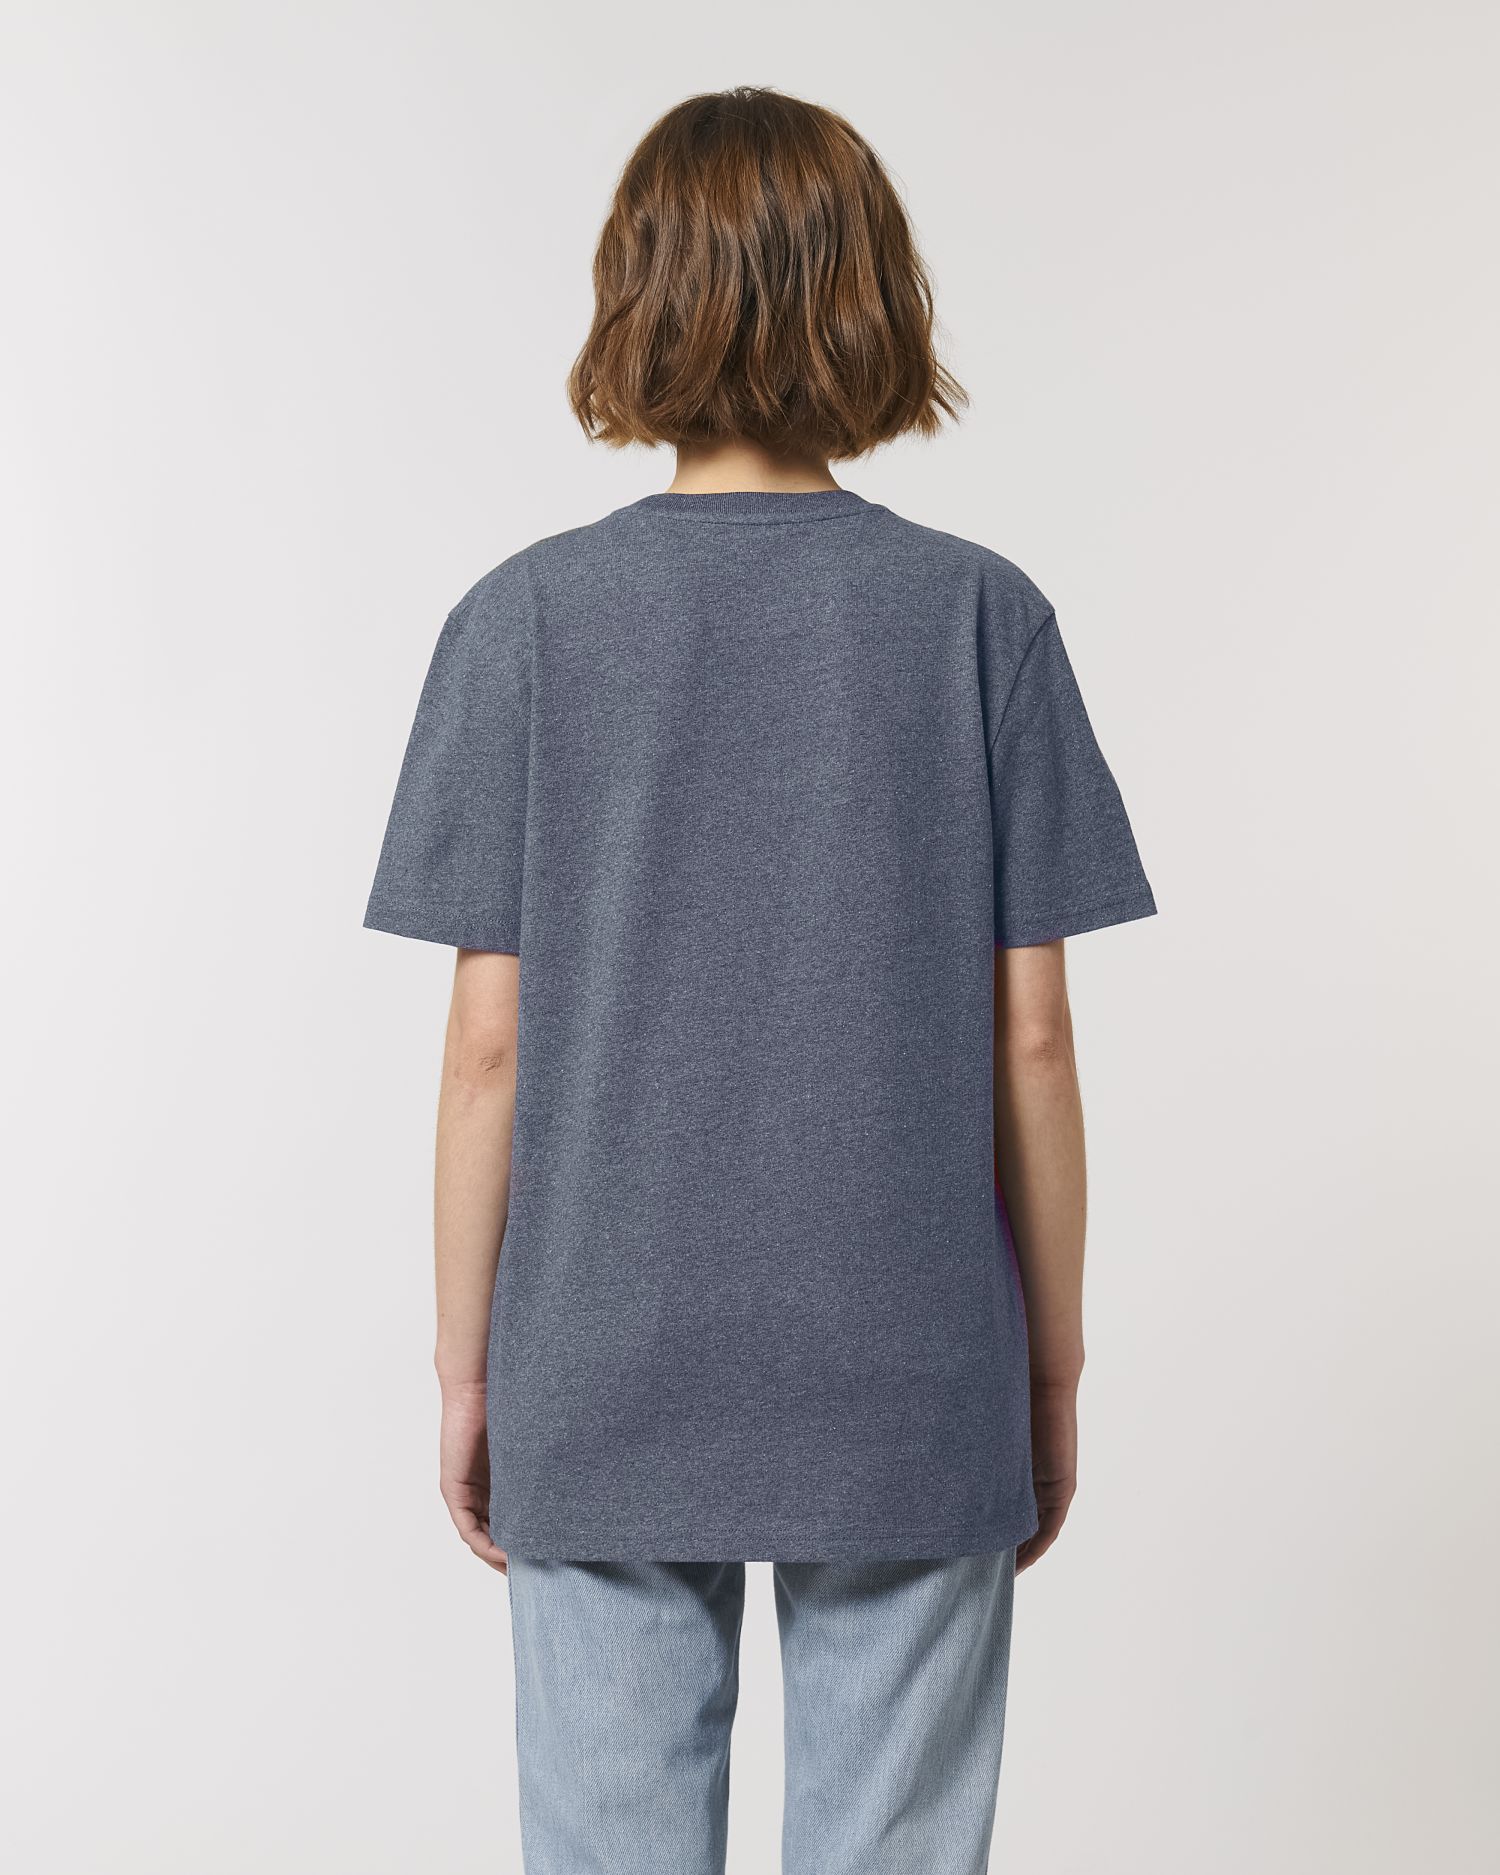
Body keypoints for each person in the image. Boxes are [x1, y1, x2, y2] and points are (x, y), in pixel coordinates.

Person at [365, 85, 1155, 1875]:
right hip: (912, 1361)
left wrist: (469, 1375)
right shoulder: (980, 619)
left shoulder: (522, 623)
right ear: (872, 297)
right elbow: (1032, 1041)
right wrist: (1049, 1371)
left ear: (632, 297)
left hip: (598, 1358)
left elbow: (486, 1055)